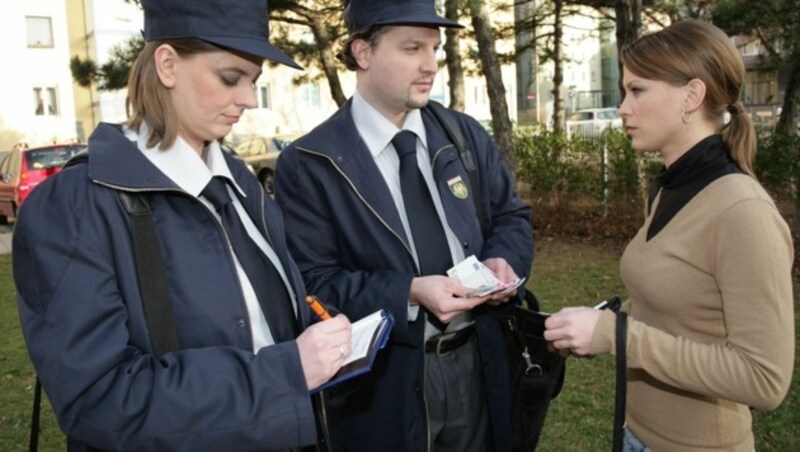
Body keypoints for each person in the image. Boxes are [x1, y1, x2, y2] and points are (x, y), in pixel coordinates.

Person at [13, 0, 353, 450]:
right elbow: (99, 400)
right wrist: (287, 373)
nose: (249, 100)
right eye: (230, 78)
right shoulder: (74, 207)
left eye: (254, 81)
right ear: (167, 65)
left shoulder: (241, 185)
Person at [274, 0, 534, 450]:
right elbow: (313, 286)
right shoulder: (311, 163)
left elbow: (511, 216)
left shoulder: (463, 135)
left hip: (482, 359)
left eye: (435, 48)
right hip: (383, 388)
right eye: (412, 48)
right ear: (362, 52)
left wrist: (503, 259)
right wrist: (409, 292)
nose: (430, 64)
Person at [544, 20, 794, 452]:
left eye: (637, 90)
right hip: (637, 434)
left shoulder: (743, 212)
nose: (623, 107)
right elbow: (673, 307)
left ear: (691, 97)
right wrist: (601, 321)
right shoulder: (669, 187)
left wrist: (615, 335)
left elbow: (764, 379)